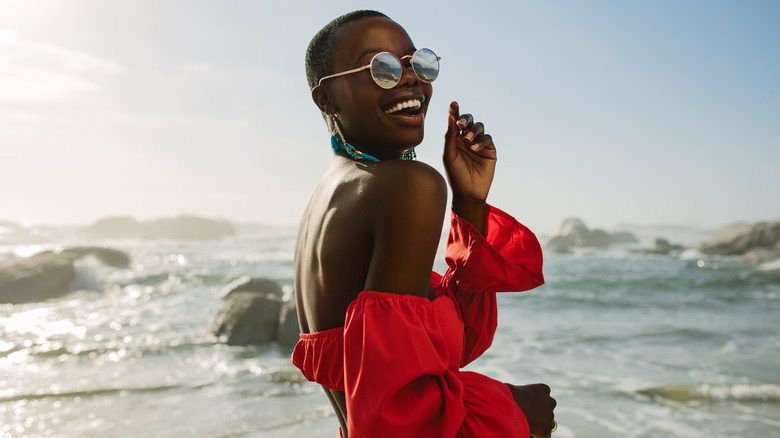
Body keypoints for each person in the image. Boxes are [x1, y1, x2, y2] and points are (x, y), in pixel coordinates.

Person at [292, 10, 557, 438]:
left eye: (417, 64)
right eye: (382, 68)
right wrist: (516, 412)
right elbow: (398, 420)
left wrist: (469, 204)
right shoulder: (408, 185)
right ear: (327, 99)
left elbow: (440, 347)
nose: (411, 79)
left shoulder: (329, 196)